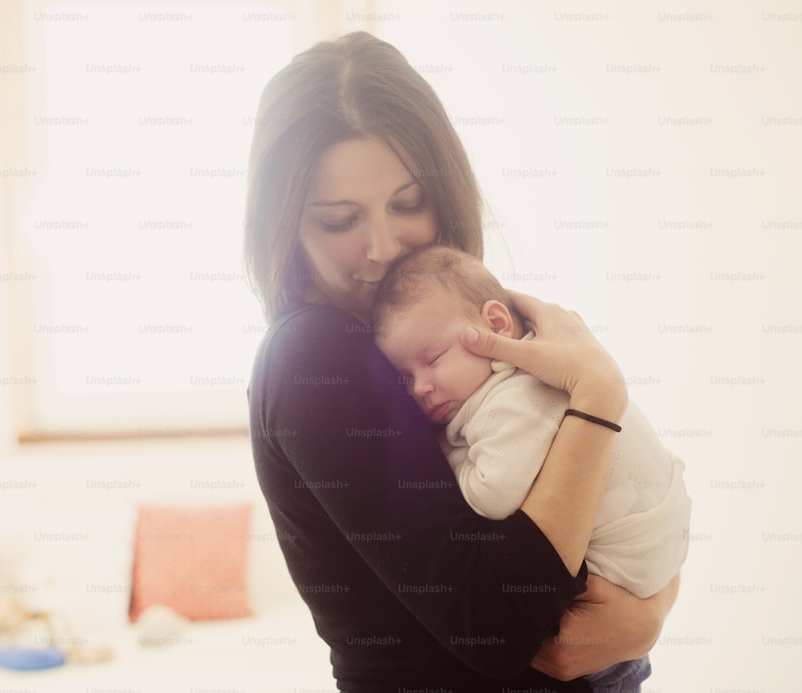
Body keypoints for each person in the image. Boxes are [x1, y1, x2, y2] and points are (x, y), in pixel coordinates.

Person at [243, 31, 680, 692]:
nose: (382, 249)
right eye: (339, 220)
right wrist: (597, 396)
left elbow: (617, 498)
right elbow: (499, 623)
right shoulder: (316, 357)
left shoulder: (446, 318)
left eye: (408, 204)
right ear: (285, 227)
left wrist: (651, 609)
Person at [370, 246, 692, 693]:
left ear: (496, 324)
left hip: (614, 604)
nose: (420, 387)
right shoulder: (526, 377)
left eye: (433, 359)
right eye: (404, 377)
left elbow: (494, 496)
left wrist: (446, 456)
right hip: (650, 577)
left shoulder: (512, 397)